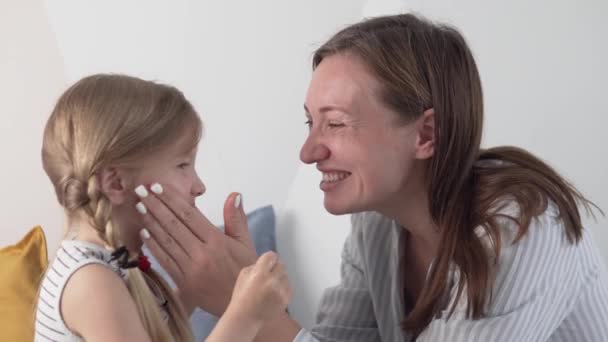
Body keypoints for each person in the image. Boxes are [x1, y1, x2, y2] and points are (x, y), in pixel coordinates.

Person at [135, 13, 608, 342]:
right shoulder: (377, 223)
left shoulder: (520, 232)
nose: (308, 151)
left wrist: (246, 308)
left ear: (426, 133)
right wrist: (246, 301)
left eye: (335, 123)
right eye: (310, 123)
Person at [35, 74, 291, 342]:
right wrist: (246, 315)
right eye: (182, 165)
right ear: (116, 183)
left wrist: (191, 292)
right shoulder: (92, 283)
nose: (199, 186)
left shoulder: (113, 263)